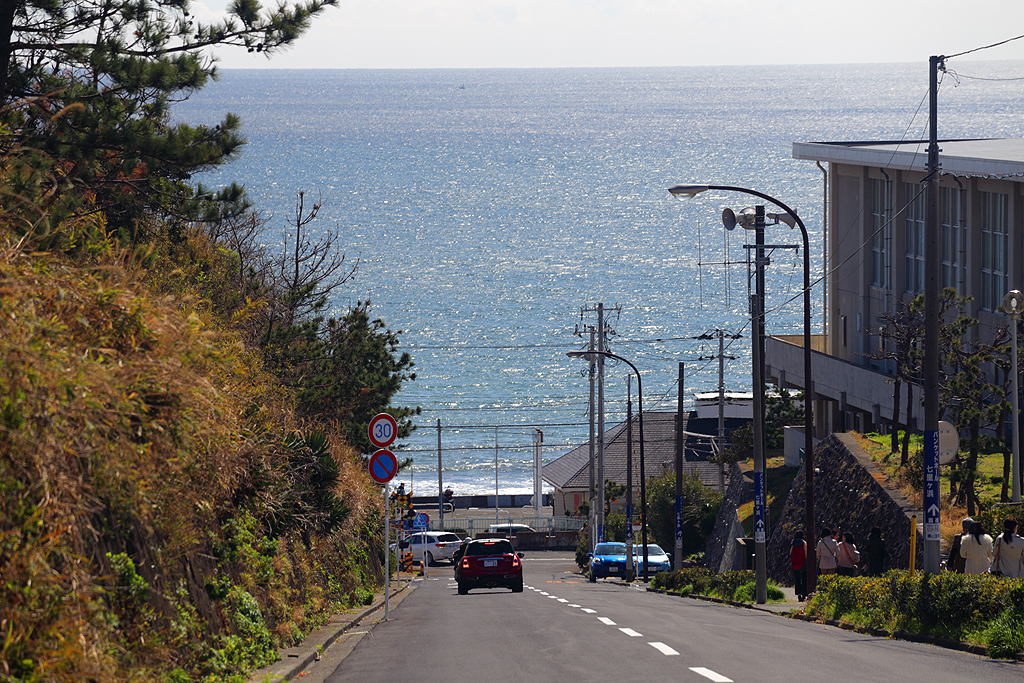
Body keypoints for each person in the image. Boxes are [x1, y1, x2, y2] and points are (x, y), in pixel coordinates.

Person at [790, 531, 809, 601]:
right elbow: (805, 552)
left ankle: (798, 593)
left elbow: (790, 553)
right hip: (803, 563)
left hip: (795, 564)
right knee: (804, 578)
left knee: (797, 579)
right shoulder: (803, 543)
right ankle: (804, 593)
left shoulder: (792, 543)